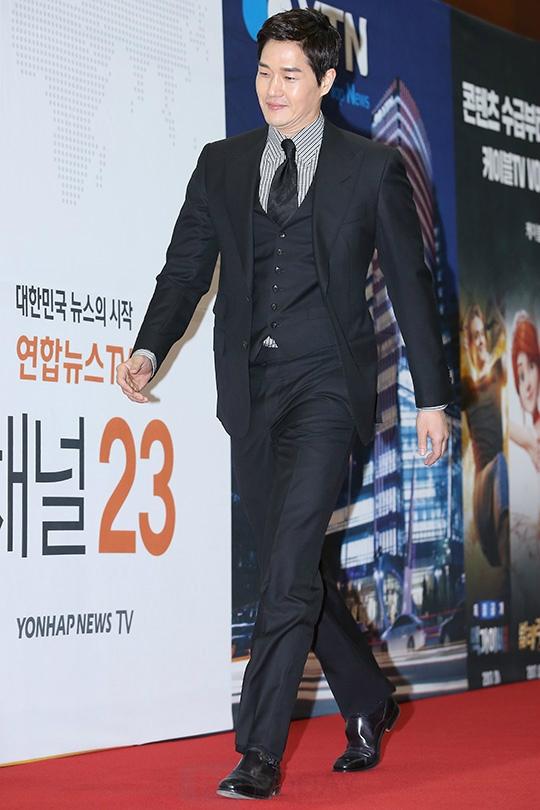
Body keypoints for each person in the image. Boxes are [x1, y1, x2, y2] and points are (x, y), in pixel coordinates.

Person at [116, 8, 451, 801]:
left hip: (329, 386)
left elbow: (410, 287)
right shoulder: (222, 164)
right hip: (252, 391)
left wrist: (434, 400)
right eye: (265, 71)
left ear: (326, 80)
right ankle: (368, 697)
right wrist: (148, 347)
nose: (272, 87)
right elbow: (185, 269)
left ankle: (259, 750)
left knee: (292, 560)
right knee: (289, 568)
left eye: (291, 75)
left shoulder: (370, 168)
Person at [461, 302, 509, 568]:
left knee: (500, 462)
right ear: (468, 342)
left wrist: (499, 320)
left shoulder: (498, 371)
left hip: (496, 478)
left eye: (482, 334)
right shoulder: (467, 387)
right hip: (481, 488)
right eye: (474, 336)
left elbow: (508, 343)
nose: (480, 341)